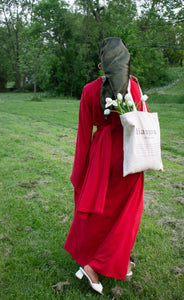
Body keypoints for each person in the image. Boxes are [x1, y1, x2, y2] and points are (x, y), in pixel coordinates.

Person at [64, 37, 147, 295]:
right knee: (126, 214)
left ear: (102, 65)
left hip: (101, 156)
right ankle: (101, 263)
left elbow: (83, 133)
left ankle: (115, 261)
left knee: (101, 210)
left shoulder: (89, 90)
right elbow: (142, 123)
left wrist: (81, 173)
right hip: (129, 157)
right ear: (125, 61)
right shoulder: (134, 88)